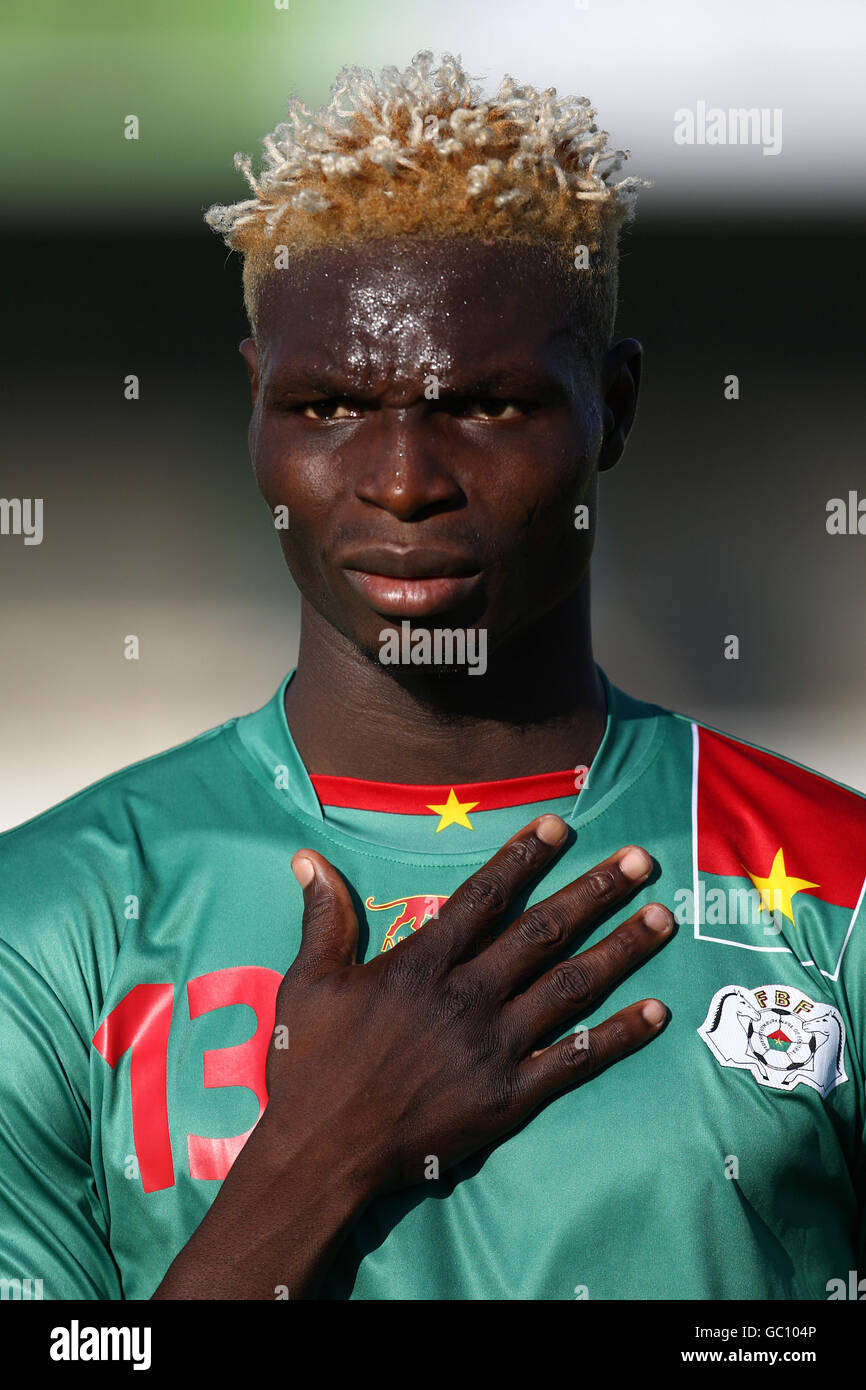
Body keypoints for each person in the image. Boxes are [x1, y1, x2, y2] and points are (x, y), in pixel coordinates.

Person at [1, 51, 864, 1302]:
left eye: (487, 406)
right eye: (329, 406)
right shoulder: (48, 927)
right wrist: (319, 1153)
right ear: (256, 412)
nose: (403, 478)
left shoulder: (835, 898)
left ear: (611, 409)